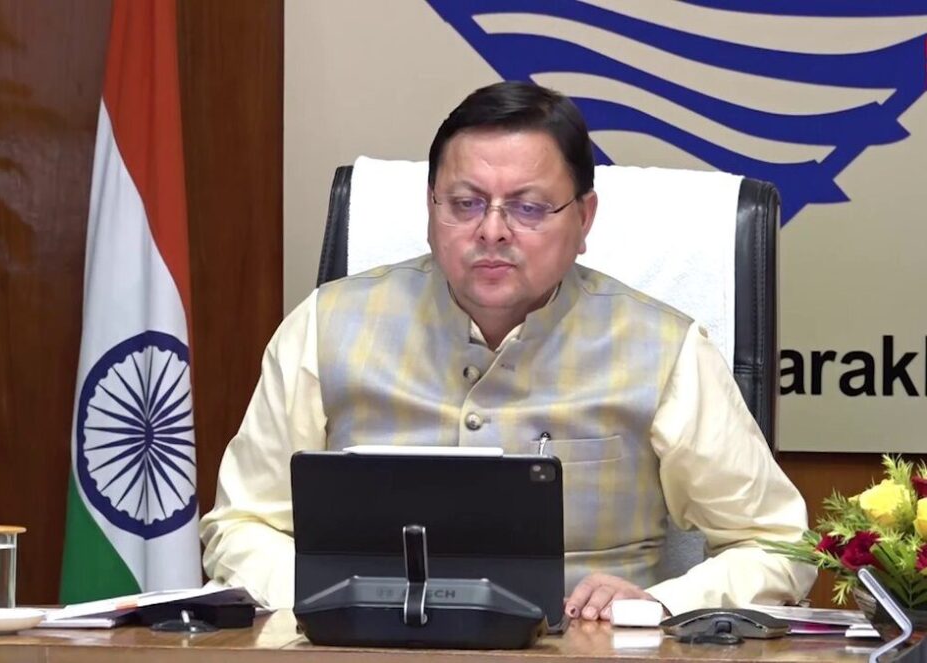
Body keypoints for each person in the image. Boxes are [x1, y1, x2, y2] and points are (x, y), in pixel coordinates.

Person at [200, 81, 815, 621]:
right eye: (465, 203)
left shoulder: (664, 350)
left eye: (528, 207)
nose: (492, 231)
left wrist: (660, 605)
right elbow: (241, 525)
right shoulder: (325, 326)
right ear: (430, 209)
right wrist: (326, 595)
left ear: (584, 219)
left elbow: (778, 544)